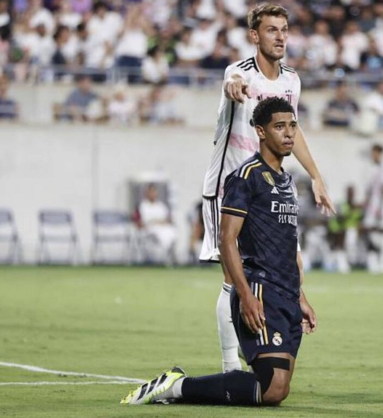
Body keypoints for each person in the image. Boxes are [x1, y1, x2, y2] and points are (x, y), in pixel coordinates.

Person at [121, 97, 316, 407]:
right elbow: (227, 240)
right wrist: (246, 295)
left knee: (278, 388)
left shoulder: (286, 181)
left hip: (287, 294)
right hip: (261, 291)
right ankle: (176, 386)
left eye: (293, 125)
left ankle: (182, 386)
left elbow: (288, 242)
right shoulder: (245, 177)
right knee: (273, 388)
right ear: (260, 132)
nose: (289, 133)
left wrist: (300, 295)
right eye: (280, 126)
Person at [198, 3, 334, 374]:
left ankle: (264, 342)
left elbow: (295, 128)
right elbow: (231, 85)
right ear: (255, 36)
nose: (280, 37)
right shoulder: (238, 73)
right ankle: (230, 367)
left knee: (292, 267)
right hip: (231, 188)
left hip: (269, 188)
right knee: (233, 275)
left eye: (284, 30)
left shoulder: (292, 79)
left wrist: (316, 176)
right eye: (272, 30)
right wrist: (234, 88)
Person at [363, 144, 383, 274]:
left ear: (379, 152)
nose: (372, 155)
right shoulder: (374, 168)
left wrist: (380, 208)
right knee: (371, 230)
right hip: (374, 204)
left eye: (374, 153)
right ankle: (377, 259)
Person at [137, 184, 177, 264]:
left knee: (171, 232)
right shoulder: (143, 206)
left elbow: (167, 219)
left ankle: (169, 257)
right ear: (147, 193)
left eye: (154, 192)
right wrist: (156, 222)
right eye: (151, 192)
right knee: (162, 235)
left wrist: (162, 222)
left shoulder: (161, 206)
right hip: (150, 229)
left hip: (163, 227)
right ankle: (164, 258)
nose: (153, 194)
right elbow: (144, 221)